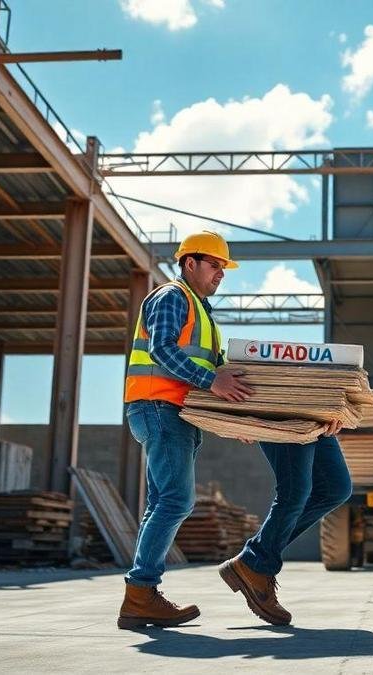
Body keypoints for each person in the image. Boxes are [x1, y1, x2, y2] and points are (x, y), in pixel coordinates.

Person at [117, 230, 254, 630]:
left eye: (224, 269)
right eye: (215, 265)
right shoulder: (171, 297)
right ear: (189, 263)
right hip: (160, 407)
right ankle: (141, 590)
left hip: (173, 412)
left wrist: (236, 419)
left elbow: (220, 374)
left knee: (163, 501)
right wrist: (213, 382)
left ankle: (140, 598)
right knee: (176, 501)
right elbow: (162, 350)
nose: (220, 275)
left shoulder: (203, 313)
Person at [218, 426, 353, 626]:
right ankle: (256, 563)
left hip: (318, 412)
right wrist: (241, 419)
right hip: (283, 410)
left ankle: (254, 559)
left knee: (335, 489)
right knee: (293, 491)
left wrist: (338, 407)